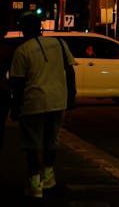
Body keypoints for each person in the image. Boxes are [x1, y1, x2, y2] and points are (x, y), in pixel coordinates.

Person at [9, 13, 76, 199]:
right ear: (40, 27)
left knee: (32, 144)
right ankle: (48, 177)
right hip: (57, 101)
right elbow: (70, 72)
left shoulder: (22, 51)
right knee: (51, 141)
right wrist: (71, 97)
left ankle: (35, 183)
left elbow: (17, 83)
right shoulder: (60, 44)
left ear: (24, 29)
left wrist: (15, 107)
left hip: (33, 103)